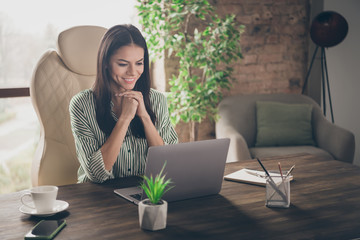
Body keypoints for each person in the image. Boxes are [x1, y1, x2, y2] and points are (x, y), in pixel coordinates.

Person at [69, 24, 178, 183]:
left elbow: (170, 166)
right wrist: (125, 118)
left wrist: (145, 117)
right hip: (98, 198)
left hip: (144, 195)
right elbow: (96, 174)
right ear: (105, 62)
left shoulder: (157, 100)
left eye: (139, 63)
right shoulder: (81, 105)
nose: (133, 72)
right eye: (123, 64)